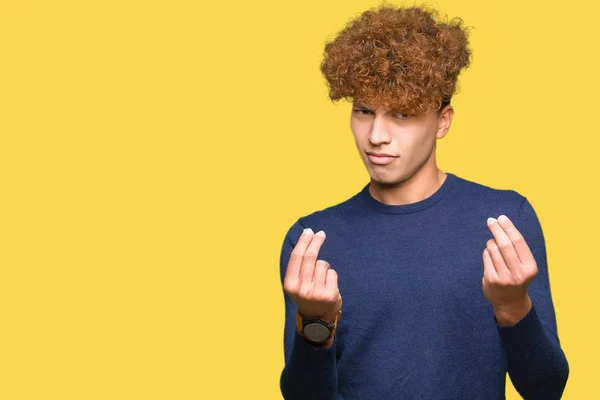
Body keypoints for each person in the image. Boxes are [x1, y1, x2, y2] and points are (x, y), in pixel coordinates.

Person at [277, 3, 569, 400]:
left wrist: (513, 306)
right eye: (364, 111)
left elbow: (546, 388)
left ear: (443, 121)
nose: (376, 135)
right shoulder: (312, 241)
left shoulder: (505, 222)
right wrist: (316, 323)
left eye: (401, 114)